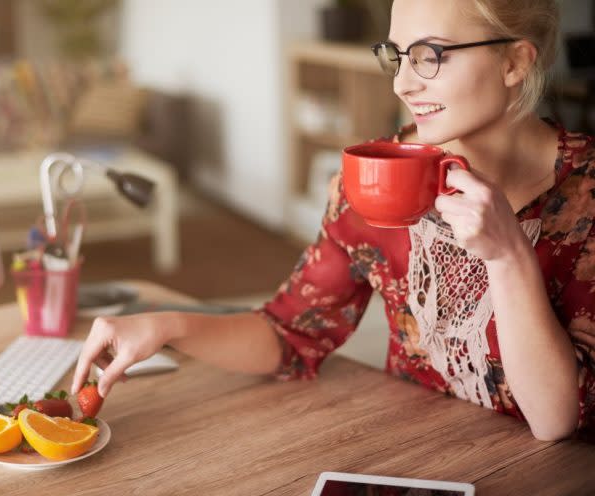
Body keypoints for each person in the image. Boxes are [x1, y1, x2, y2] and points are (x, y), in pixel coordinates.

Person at [72, 0, 594, 443]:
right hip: (413, 458)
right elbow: (292, 333)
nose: (403, 85)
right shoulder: (376, 180)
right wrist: (167, 324)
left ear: (514, 63)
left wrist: (507, 256)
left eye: (431, 56)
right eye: (398, 57)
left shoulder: (586, 195)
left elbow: (555, 422)